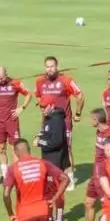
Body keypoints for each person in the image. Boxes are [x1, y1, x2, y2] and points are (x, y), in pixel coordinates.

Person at [35, 56, 85, 191]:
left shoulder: (66, 80)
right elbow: (39, 99)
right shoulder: (40, 82)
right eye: (47, 66)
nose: (50, 69)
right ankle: (53, 178)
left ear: (57, 67)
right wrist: (43, 117)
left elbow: (80, 95)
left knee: (66, 148)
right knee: (48, 149)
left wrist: (78, 114)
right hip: (48, 122)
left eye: (52, 66)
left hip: (64, 122)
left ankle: (70, 178)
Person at [0, 66, 31, 182]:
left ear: (6, 74)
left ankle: (15, 174)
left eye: (1, 78)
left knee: (15, 148)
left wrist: (22, 108)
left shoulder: (15, 83)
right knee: (1, 148)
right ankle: (4, 175)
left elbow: (29, 94)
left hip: (12, 121)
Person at [35, 98, 69, 221]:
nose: (42, 109)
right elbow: (45, 132)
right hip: (48, 160)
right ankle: (49, 218)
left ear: (52, 105)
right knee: (48, 191)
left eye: (44, 107)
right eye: (40, 107)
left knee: (57, 191)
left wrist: (40, 142)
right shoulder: (49, 118)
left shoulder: (57, 121)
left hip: (55, 161)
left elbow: (56, 142)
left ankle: (59, 220)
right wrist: (39, 136)